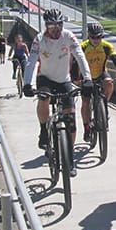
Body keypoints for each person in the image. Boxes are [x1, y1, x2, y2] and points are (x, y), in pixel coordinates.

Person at [22, 9, 93, 175]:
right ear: (46, 26)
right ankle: (43, 129)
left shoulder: (68, 36)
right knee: (44, 99)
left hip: (64, 80)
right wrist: (27, 84)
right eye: (52, 25)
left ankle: (69, 159)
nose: (56, 29)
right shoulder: (39, 39)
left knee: (71, 121)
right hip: (45, 78)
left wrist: (87, 78)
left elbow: (80, 56)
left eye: (59, 25)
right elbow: (31, 62)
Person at [73, 22, 116, 143]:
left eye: (99, 37)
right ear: (88, 36)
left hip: (101, 73)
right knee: (85, 102)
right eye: (93, 37)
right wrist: (76, 78)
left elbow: (115, 59)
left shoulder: (106, 46)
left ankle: (104, 103)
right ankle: (87, 127)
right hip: (86, 76)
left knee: (109, 82)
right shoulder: (83, 46)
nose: (96, 40)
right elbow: (75, 62)